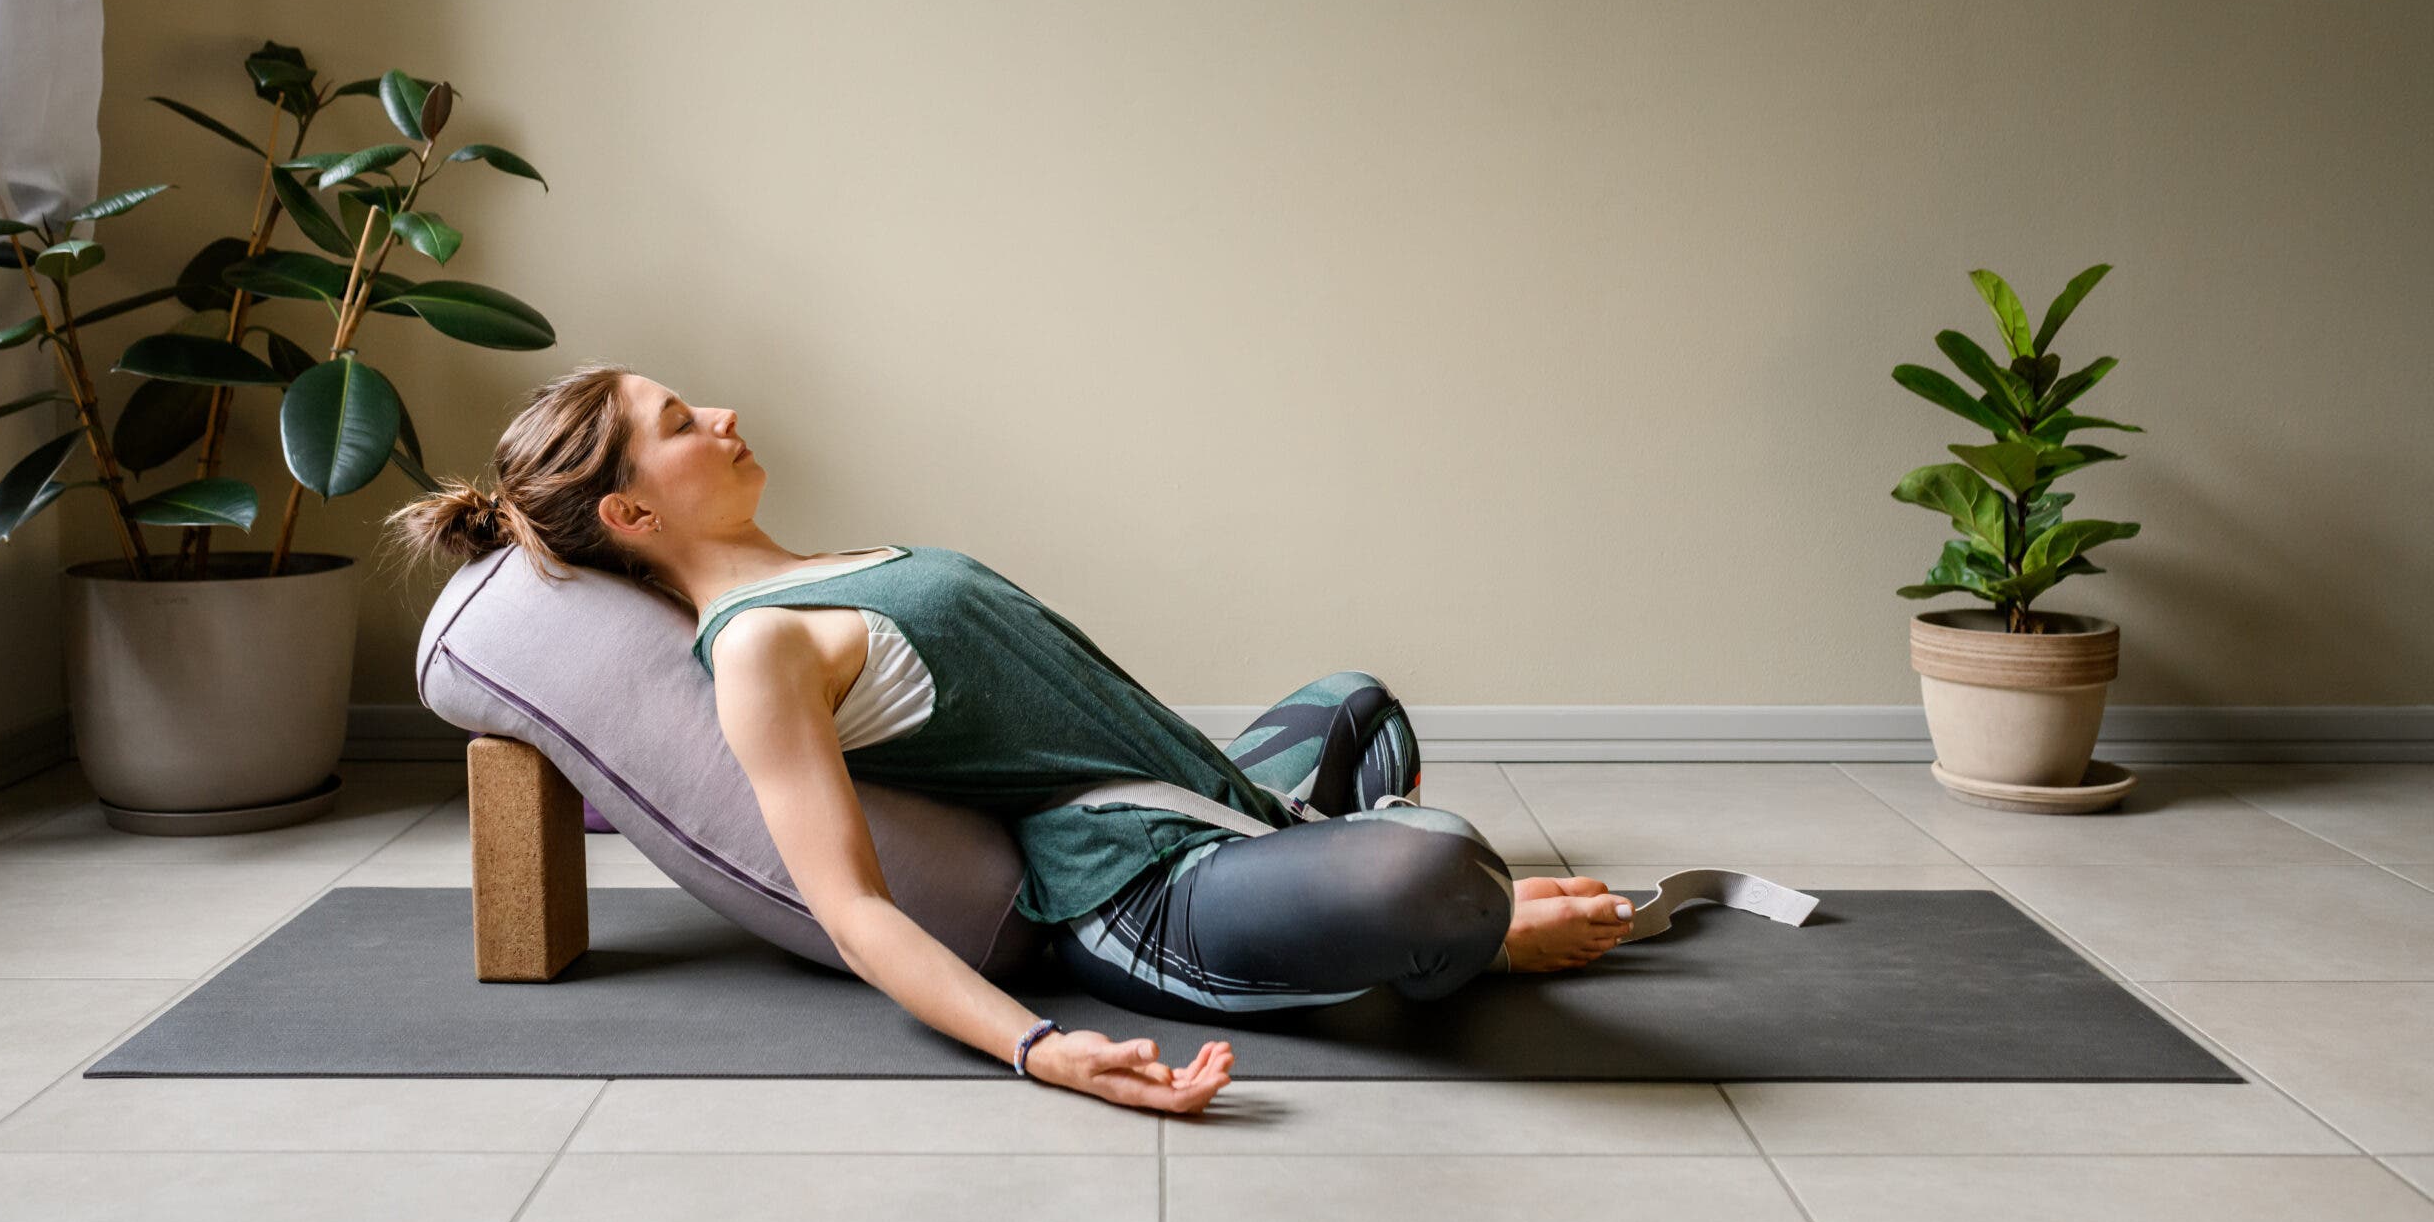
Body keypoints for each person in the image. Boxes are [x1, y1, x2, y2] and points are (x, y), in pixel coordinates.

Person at [384, 361, 1634, 1115]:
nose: (718, 412)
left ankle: (1379, 886)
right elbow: (853, 909)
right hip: (1143, 893)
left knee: (1356, 699)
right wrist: (1044, 1051)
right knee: (1432, 870)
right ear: (632, 508)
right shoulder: (759, 653)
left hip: (1212, 803)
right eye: (674, 420)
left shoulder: (827, 566)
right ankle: (1457, 937)